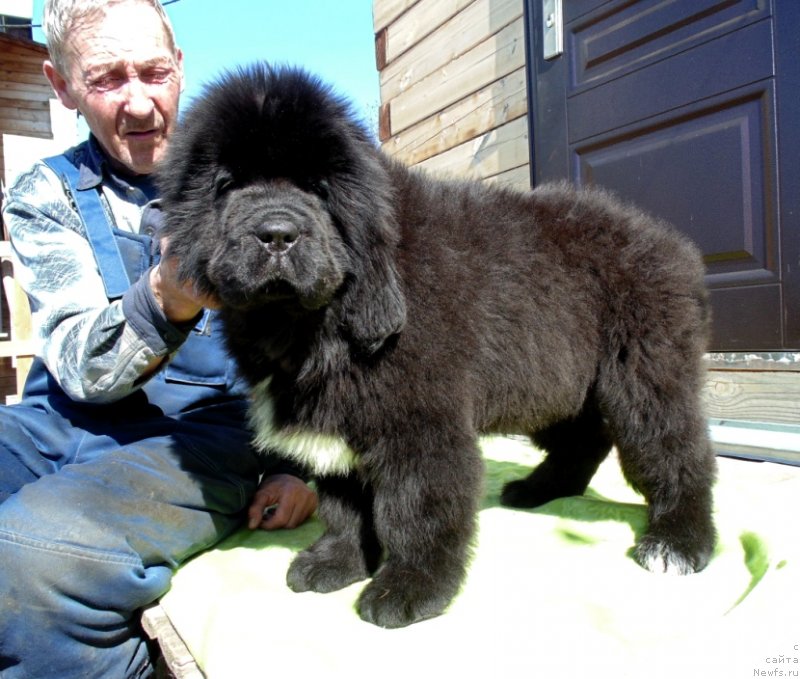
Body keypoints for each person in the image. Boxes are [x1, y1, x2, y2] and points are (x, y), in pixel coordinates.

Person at [0, 1, 317, 676]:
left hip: (204, 431)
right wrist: (167, 298)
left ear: (180, 69)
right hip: (63, 414)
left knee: (32, 556)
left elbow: (323, 340)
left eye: (153, 72)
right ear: (62, 87)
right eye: (108, 79)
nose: (140, 103)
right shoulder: (43, 192)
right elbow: (81, 364)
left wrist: (303, 467)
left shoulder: (260, 181)